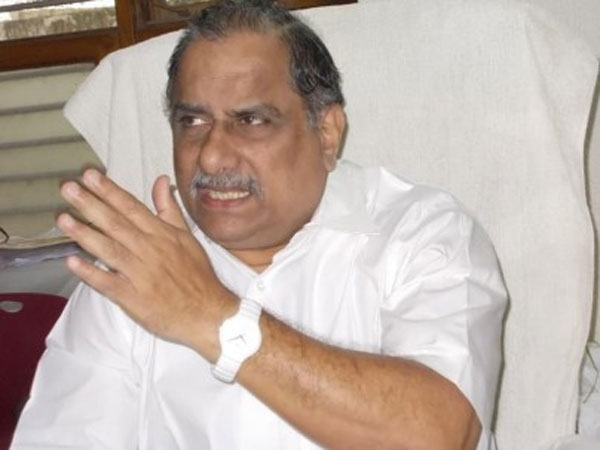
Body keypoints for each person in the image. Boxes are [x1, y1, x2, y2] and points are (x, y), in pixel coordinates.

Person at [12, 0, 506, 448]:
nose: (212, 155)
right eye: (192, 122)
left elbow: (440, 434)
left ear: (327, 132)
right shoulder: (135, 269)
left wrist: (209, 314)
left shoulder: (422, 235)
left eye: (250, 121)